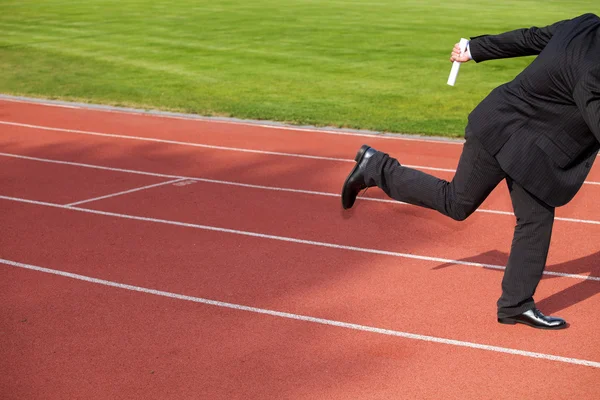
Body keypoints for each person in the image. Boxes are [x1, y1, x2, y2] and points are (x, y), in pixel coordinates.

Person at [341, 13, 600, 330]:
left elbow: (531, 37)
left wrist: (475, 49)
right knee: (458, 203)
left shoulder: (585, 24)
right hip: (502, 129)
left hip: (527, 142)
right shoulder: (594, 72)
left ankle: (516, 305)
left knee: (535, 218)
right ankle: (376, 167)